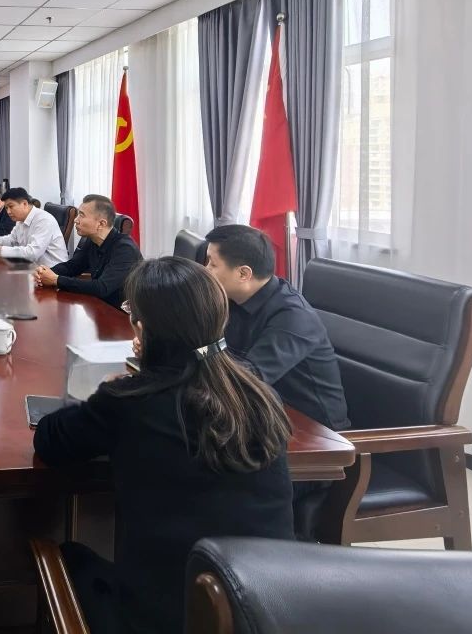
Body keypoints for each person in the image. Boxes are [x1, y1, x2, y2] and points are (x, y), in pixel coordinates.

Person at [35, 257, 294, 634]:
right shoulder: (258, 393)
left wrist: (106, 392)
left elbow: (50, 440)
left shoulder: (131, 400)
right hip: (267, 611)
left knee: (69, 554)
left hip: (165, 619)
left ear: (143, 329)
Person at [203, 225, 349, 432]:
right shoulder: (234, 299)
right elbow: (217, 347)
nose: (205, 270)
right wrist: (191, 355)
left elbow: (249, 376)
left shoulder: (293, 316)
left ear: (243, 273)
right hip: (263, 410)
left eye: (212, 263)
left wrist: (189, 370)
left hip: (314, 431)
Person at [34, 195, 142, 306]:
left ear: (101, 224)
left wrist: (56, 280)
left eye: (81, 215)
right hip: (99, 305)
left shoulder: (125, 249)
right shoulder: (92, 240)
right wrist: (44, 273)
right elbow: (72, 266)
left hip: (122, 312)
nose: (76, 220)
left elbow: (102, 288)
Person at [0, 187, 69, 267]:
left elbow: (33, 253)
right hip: (33, 268)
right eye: (6, 208)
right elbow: (12, 240)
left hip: (53, 272)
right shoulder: (20, 219)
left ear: (24, 204)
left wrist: (0, 250)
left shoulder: (44, 220)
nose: (8, 212)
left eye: (11, 206)